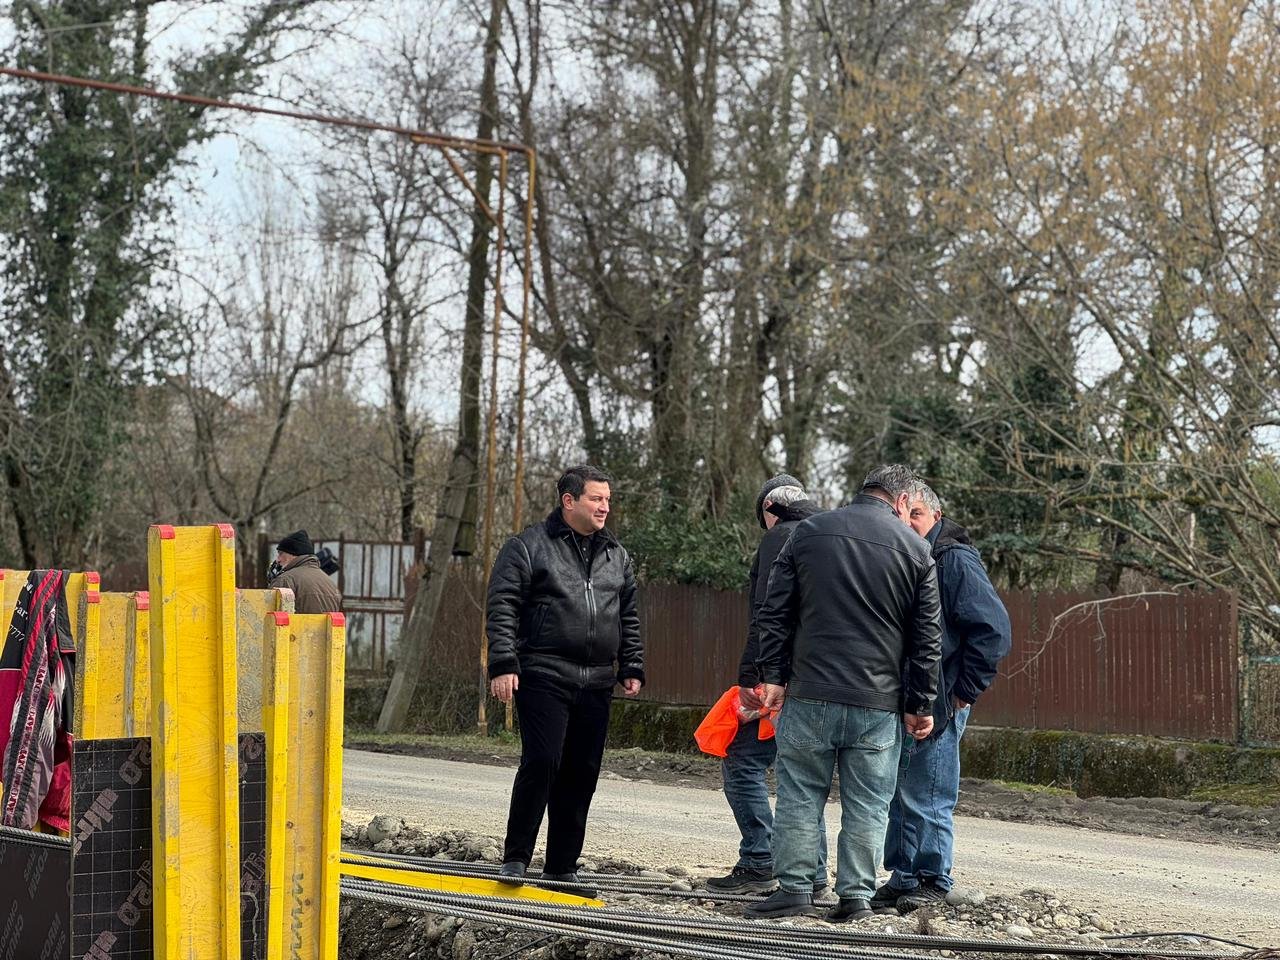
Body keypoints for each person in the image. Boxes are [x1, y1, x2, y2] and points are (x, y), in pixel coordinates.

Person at [746, 464, 942, 922]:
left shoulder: (808, 533)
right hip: (878, 702)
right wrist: (920, 703)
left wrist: (772, 676)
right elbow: (927, 638)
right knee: (869, 803)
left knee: (799, 794)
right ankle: (855, 898)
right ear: (900, 501)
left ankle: (794, 890)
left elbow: (774, 612)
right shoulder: (917, 550)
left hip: (810, 692)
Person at [486, 465, 644, 884]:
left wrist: (631, 664)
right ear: (569, 500)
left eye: (607, 499)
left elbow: (627, 615)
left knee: (581, 772)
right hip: (543, 672)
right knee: (542, 761)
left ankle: (561, 866)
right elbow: (503, 606)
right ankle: (516, 857)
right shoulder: (527, 547)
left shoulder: (616, 555)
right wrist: (503, 664)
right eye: (596, 498)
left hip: (597, 680)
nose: (604, 507)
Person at [875, 481, 1011, 914]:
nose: (909, 523)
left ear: (936, 515)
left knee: (929, 790)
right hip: (915, 693)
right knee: (902, 790)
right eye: (905, 515)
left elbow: (993, 630)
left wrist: (964, 691)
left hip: (942, 696)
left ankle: (934, 878)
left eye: (917, 515)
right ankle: (905, 876)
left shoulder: (953, 559)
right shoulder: (914, 555)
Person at [706, 474, 831, 900]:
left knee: (742, 760)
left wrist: (751, 677)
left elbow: (768, 614)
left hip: (777, 678)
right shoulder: (828, 537)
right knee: (804, 775)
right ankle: (814, 874)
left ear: (768, 510)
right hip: (820, 678)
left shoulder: (779, 537)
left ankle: (760, 859)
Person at [267, 530, 343, 614]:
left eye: (281, 553)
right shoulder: (331, 584)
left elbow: (268, 615)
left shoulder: (285, 580)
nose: (278, 560)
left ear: (293, 554)